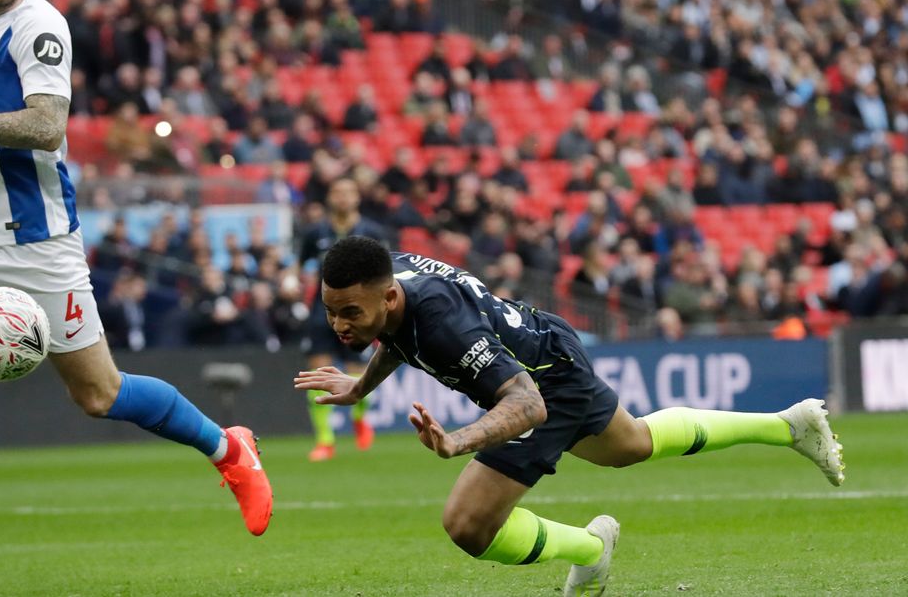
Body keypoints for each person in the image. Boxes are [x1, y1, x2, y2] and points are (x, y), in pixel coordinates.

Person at [0, 0, 271, 572]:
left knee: (99, 393)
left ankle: (229, 449)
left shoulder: (41, 27)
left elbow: (45, 125)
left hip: (40, 245)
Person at [295, 237, 844, 596]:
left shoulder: (441, 325)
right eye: (331, 310)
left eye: (351, 313)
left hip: (542, 383)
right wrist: (361, 387)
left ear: (389, 297)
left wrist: (458, 442)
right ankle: (788, 425)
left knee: (467, 525)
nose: (339, 324)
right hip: (546, 341)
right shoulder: (388, 277)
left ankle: (589, 549)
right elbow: (394, 335)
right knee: (631, 444)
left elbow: (527, 404)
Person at [297, 178, 386, 461]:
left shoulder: (372, 231)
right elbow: (301, 266)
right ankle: (325, 440)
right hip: (320, 311)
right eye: (337, 192)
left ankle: (360, 419)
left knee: (359, 373)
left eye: (349, 191)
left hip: (360, 313)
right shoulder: (315, 232)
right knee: (318, 371)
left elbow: (386, 270)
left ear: (357, 197)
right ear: (329, 198)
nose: (343, 197)